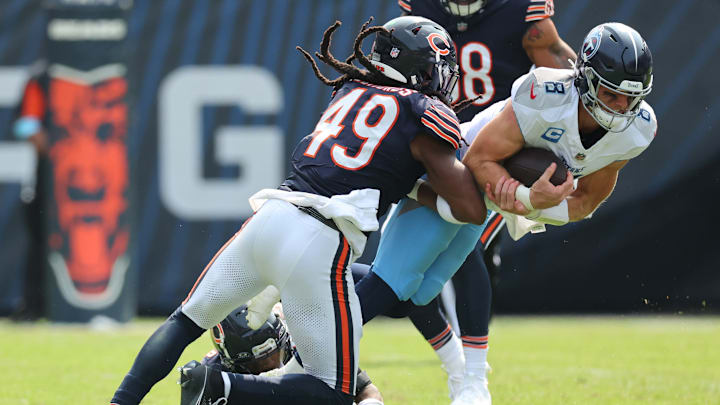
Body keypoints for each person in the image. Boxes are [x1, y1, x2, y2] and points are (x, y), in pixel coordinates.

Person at [110, 16, 489, 405]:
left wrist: (417, 186)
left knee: (184, 322)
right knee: (336, 391)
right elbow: (471, 208)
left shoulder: (350, 91)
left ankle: (121, 401)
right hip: (320, 241)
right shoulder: (422, 111)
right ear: (420, 69)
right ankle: (220, 387)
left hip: (270, 217)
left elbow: (381, 167)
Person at [355, 21, 656, 405]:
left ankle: (461, 374)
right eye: (611, 93)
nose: (620, 107)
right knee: (394, 284)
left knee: (411, 296)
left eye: (630, 99)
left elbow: (585, 203)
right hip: (454, 171)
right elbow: (479, 158)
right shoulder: (544, 94)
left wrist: (538, 202)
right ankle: (304, 353)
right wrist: (530, 200)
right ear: (585, 79)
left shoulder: (637, 130)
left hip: (485, 201)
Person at [367, 0, 578, 402]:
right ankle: (458, 367)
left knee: (468, 251)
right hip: (432, 148)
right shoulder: (421, 8)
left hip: (495, 155)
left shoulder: (521, 10)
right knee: (400, 284)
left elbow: (558, 65)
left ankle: (474, 378)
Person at [197, 304, 384, 404]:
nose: (274, 367)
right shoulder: (215, 374)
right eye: (260, 364)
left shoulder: (304, 343)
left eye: (277, 354)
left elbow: (366, 390)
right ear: (231, 363)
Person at [10, 60, 50, 321]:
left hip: (88, 178)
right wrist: (61, 154)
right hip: (47, 177)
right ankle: (34, 305)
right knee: (40, 240)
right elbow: (27, 125)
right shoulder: (42, 75)